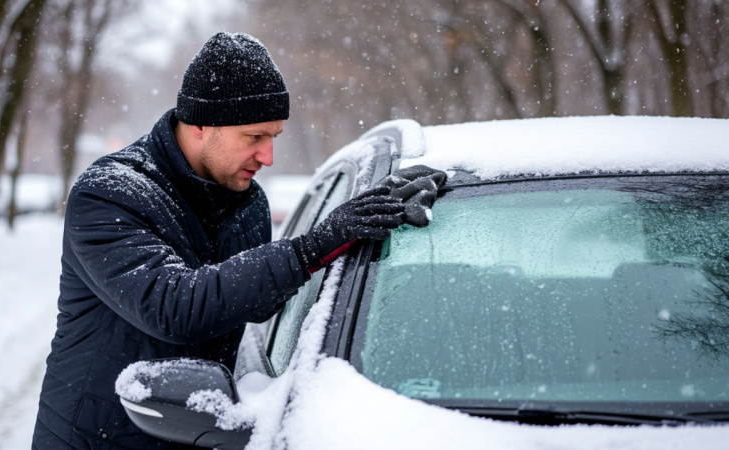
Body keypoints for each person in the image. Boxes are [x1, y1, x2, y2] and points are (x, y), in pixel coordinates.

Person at [32, 32, 445, 449]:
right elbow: (175, 307)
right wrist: (316, 244)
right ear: (199, 125)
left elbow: (259, 302)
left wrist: (353, 235)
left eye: (274, 137)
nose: (268, 156)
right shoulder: (109, 194)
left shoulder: (247, 204)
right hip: (96, 439)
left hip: (197, 435)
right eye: (254, 137)